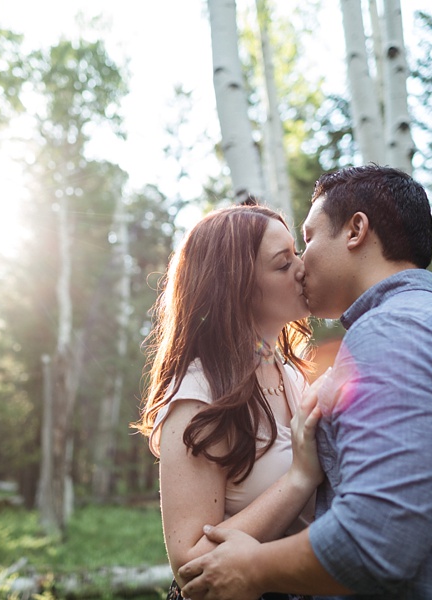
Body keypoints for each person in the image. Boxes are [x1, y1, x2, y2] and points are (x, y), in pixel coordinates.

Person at [177, 165, 432, 599]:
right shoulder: (423, 322)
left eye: (306, 241)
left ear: (355, 231)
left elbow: (377, 537)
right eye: (285, 260)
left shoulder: (393, 331)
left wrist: (254, 567)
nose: (302, 266)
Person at [132, 202, 326, 600]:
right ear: (235, 288)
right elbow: (190, 567)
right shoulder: (198, 398)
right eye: (282, 263)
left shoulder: (291, 375)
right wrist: (298, 479)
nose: (303, 267)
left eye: (297, 253)